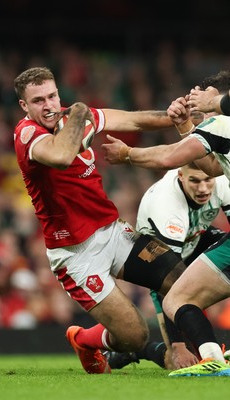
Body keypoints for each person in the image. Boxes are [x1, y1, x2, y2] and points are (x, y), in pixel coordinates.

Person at [13, 66, 192, 375]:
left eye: (52, 96)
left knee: (180, 276)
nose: (49, 106)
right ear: (24, 106)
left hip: (112, 233)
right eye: (38, 100)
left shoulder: (78, 118)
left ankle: (187, 351)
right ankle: (84, 340)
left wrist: (172, 115)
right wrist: (81, 112)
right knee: (135, 336)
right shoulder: (28, 134)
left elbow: (134, 119)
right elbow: (62, 156)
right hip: (75, 254)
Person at [102, 76, 230, 376]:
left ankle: (204, 357)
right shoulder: (166, 200)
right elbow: (211, 165)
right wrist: (187, 125)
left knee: (179, 298)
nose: (196, 102)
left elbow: (171, 156)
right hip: (170, 252)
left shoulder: (221, 124)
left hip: (183, 250)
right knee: (177, 295)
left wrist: (127, 154)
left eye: (203, 97)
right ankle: (213, 360)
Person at [106, 164, 230, 371]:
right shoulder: (165, 207)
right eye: (195, 181)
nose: (203, 189)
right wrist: (178, 345)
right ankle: (138, 350)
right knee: (177, 360)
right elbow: (167, 281)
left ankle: (212, 354)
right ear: (181, 176)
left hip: (197, 239)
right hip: (159, 260)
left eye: (208, 180)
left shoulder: (221, 179)